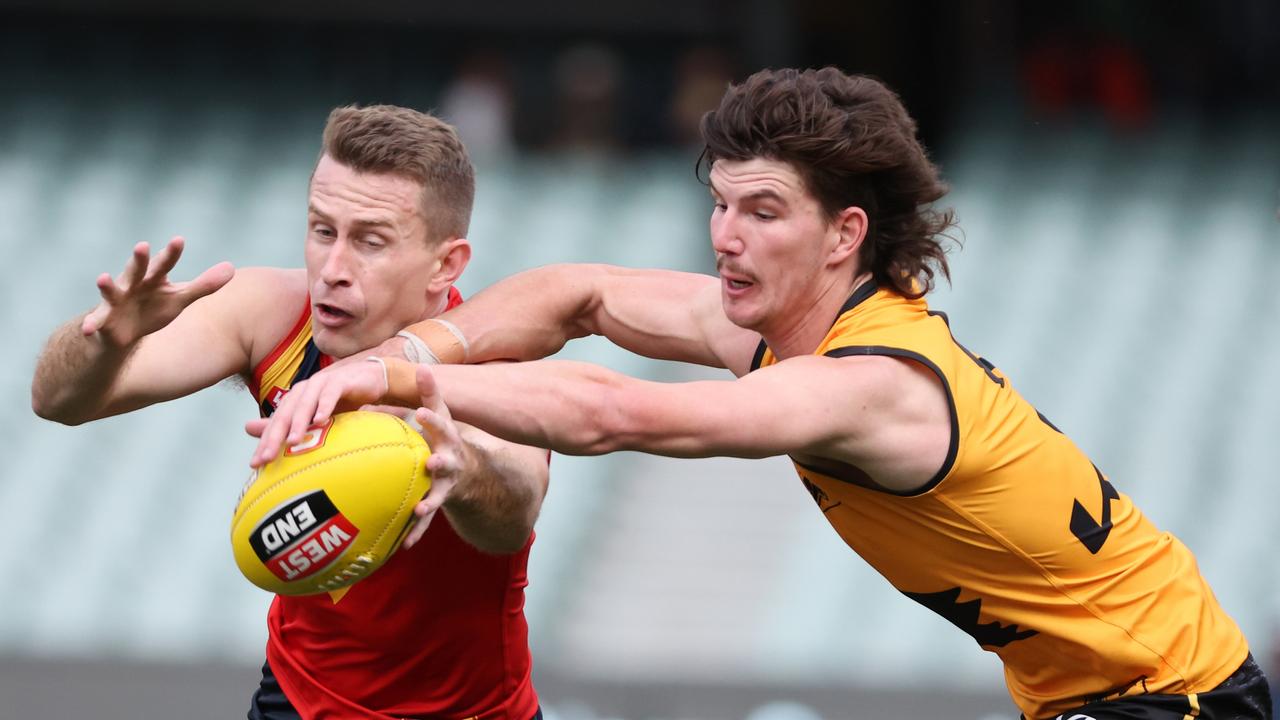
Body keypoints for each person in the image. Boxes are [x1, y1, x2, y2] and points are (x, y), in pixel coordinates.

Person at [251, 68, 1273, 720]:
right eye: (720, 205)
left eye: (764, 211)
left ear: (844, 236)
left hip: (1171, 699)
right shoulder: (783, 337)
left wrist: (388, 372)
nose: (724, 236)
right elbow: (580, 293)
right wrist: (416, 345)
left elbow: (621, 414)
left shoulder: (871, 385)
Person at [31, 105, 550, 720]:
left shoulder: (496, 362)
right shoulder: (271, 312)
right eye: (322, 230)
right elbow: (57, 402)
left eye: (370, 242)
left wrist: (461, 465)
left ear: (446, 264)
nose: (332, 270)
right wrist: (103, 340)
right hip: (296, 701)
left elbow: (515, 512)